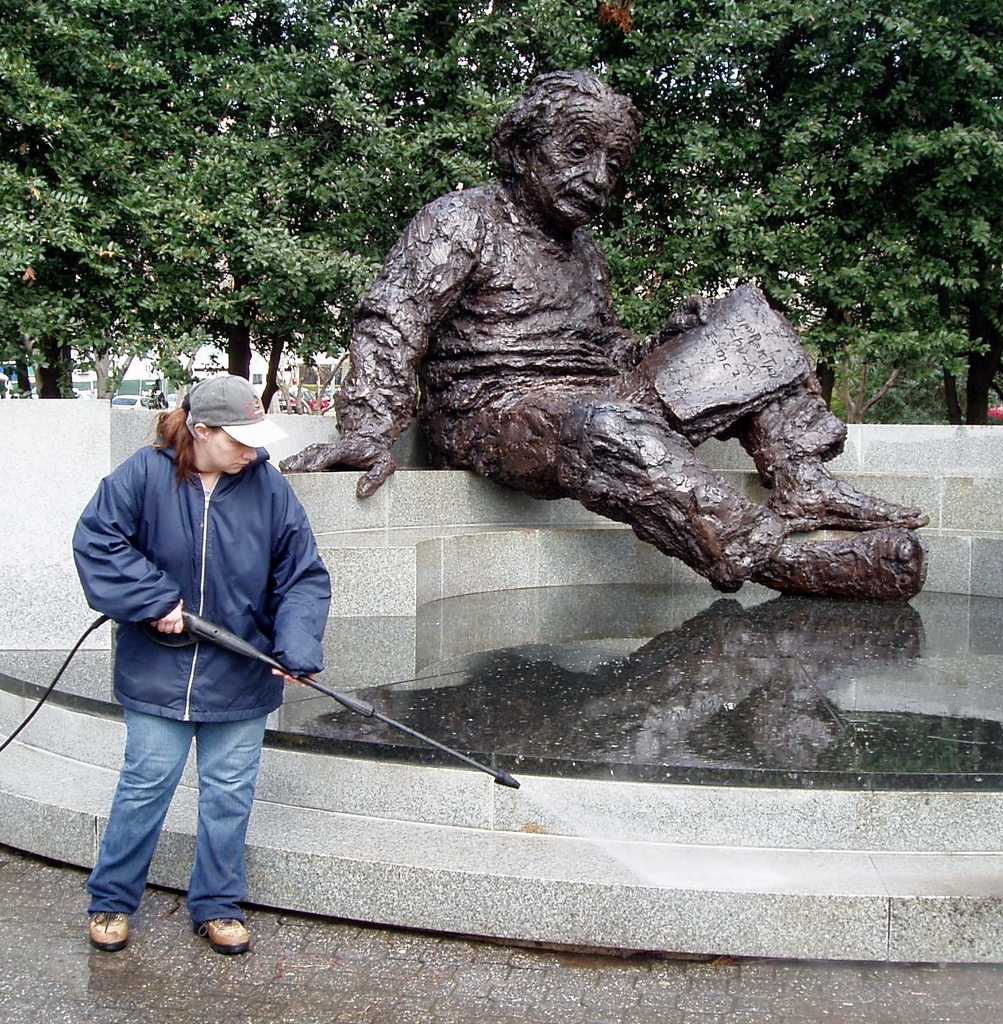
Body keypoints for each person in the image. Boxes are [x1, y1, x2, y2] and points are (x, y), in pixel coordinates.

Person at [281, 70, 926, 601]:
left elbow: (605, 348)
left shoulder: (584, 249)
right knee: (602, 425)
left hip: (595, 394)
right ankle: (774, 557)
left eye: (612, 163)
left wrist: (668, 342)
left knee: (742, 324)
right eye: (577, 153)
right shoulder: (462, 219)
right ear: (522, 152)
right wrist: (368, 429)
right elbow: (394, 320)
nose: (597, 178)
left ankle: (801, 478)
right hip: (496, 413)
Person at [73, 375, 331, 955]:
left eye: (255, 438)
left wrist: (297, 649)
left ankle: (217, 904)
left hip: (241, 672)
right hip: (157, 670)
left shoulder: (270, 488)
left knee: (229, 793)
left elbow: (302, 577)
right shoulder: (142, 474)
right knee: (145, 786)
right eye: (238, 439)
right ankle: (111, 900)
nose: (252, 450)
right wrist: (154, 599)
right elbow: (98, 540)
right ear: (201, 429)